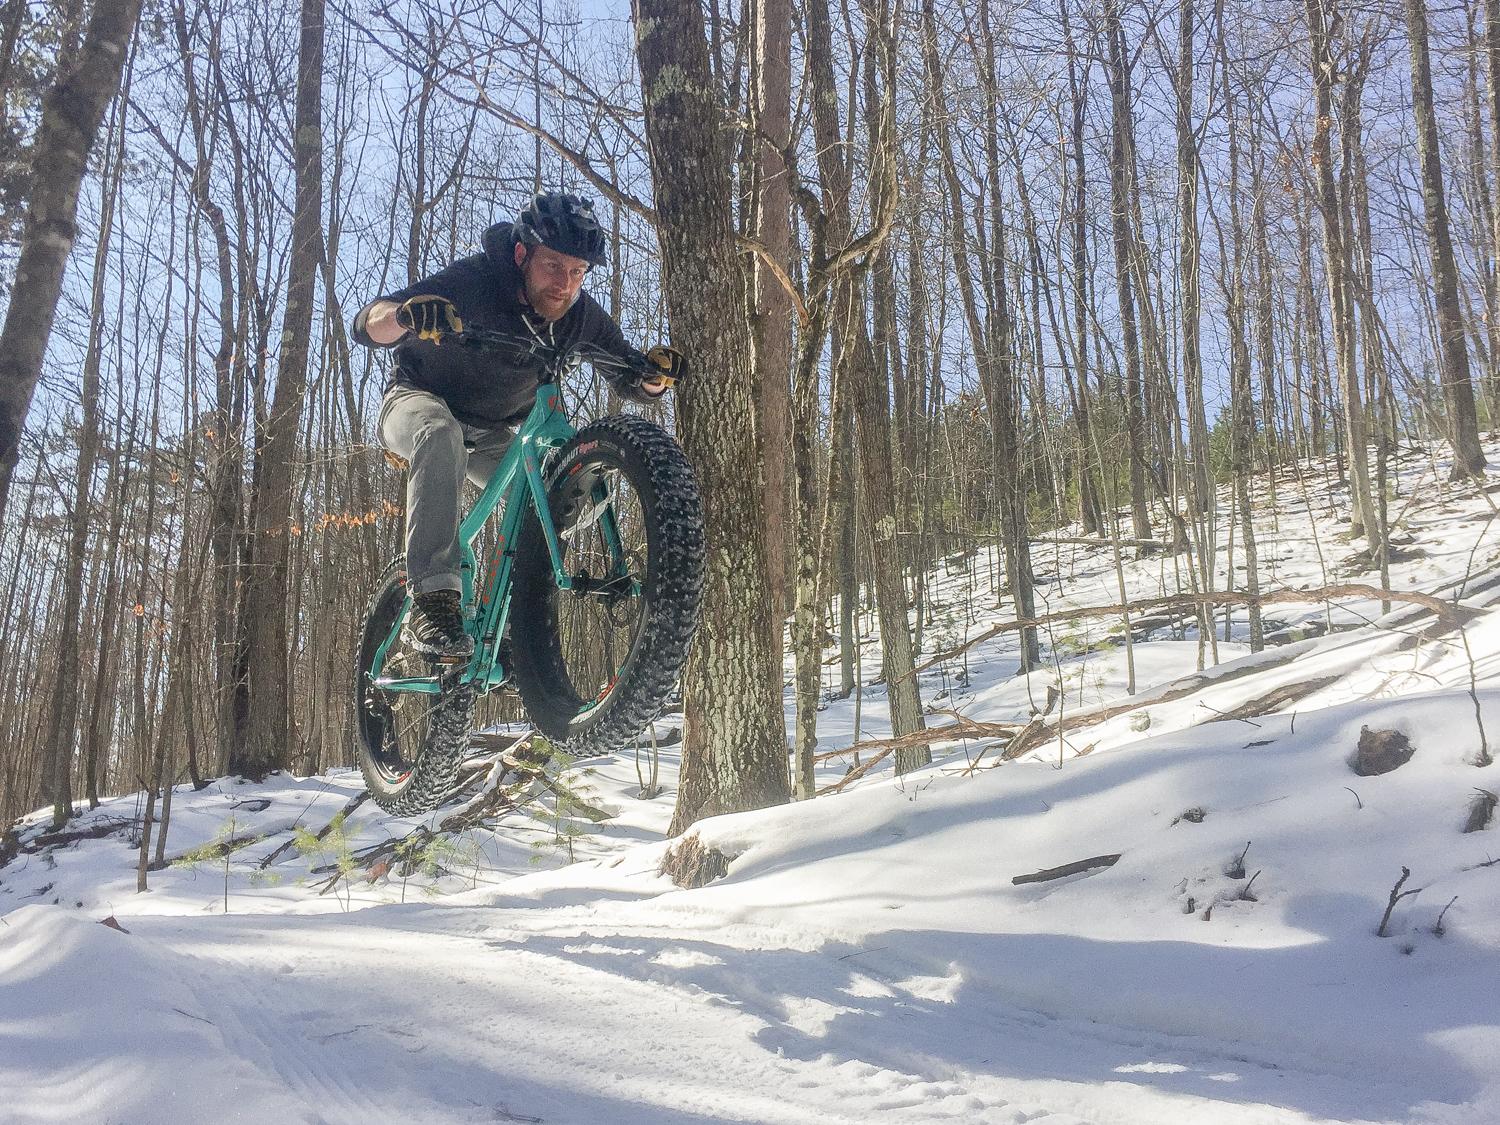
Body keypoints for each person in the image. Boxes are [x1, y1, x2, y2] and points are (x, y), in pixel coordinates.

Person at [352, 191, 686, 660]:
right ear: (521, 254)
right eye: (553, 266)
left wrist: (655, 380)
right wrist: (404, 316)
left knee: (564, 501)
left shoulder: (578, 316)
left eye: (577, 272)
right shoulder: (475, 281)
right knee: (439, 432)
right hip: (417, 400)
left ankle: (506, 626)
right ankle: (431, 598)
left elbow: (629, 374)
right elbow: (367, 324)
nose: (564, 284)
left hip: (495, 434)